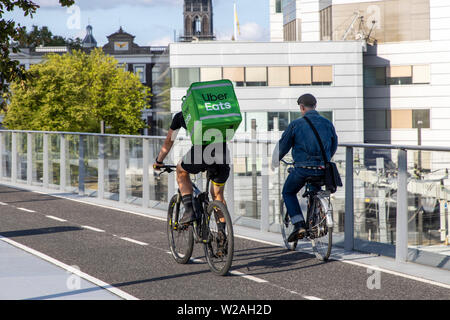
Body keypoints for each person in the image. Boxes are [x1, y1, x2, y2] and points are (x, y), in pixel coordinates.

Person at [272, 93, 338, 242]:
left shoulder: (296, 124)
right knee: (315, 187)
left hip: (303, 169)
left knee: (288, 192)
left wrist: (275, 161)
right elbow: (333, 146)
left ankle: (299, 224)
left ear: (302, 107)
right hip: (323, 169)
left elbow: (283, 146)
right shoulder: (328, 123)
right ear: (315, 106)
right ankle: (316, 223)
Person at [153, 111, 230, 229]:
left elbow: (169, 141)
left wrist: (159, 161)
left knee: (181, 171)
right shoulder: (218, 111)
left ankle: (189, 211)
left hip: (201, 153)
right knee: (217, 195)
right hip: (222, 153)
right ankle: (222, 235)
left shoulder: (182, 116)